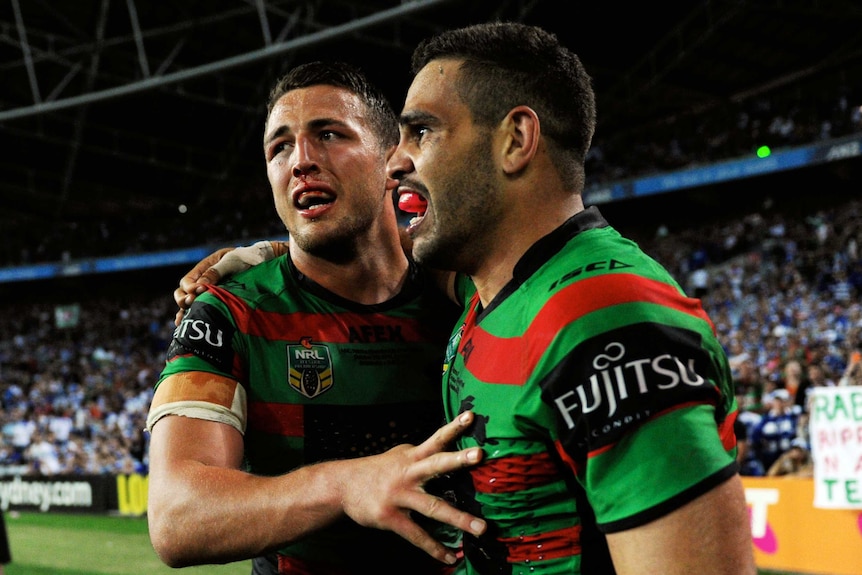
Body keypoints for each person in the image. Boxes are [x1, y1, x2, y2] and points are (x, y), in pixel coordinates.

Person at [176, 22, 756, 575]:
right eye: (280, 146)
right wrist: (284, 252)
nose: (399, 162)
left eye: (422, 131)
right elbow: (179, 517)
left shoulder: (607, 323)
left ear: (516, 140)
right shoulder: (488, 292)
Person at [146, 61, 487, 575]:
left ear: (390, 159)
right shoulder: (227, 311)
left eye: (329, 134)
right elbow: (177, 518)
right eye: (279, 147)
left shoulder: (463, 286)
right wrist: (345, 485)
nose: (301, 160)